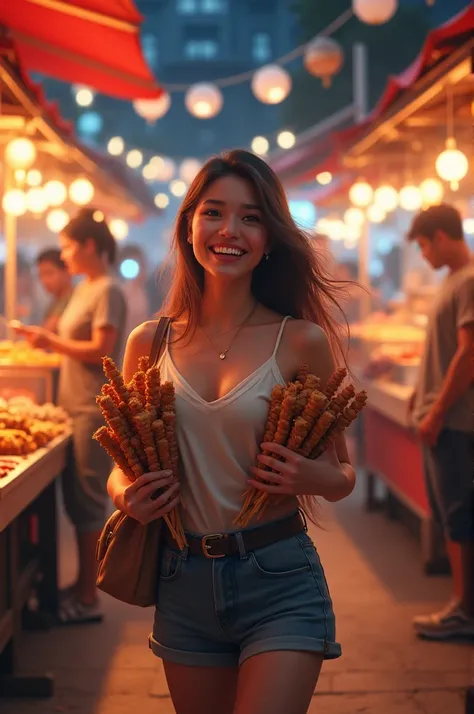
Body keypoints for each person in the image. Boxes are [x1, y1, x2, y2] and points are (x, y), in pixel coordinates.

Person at [107, 150, 355, 714]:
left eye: (251, 217)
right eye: (214, 212)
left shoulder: (300, 341)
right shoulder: (148, 343)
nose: (230, 231)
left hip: (280, 575)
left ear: (270, 237)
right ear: (189, 225)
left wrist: (308, 474)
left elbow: (343, 475)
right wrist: (127, 496)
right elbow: (121, 462)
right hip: (182, 579)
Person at [15, 208, 127, 625]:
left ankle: (88, 597)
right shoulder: (84, 288)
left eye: (67, 246)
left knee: (87, 503)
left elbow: (103, 351)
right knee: (76, 503)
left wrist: (50, 341)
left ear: (90, 247)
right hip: (71, 406)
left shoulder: (107, 291)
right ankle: (78, 584)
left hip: (90, 409)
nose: (64, 254)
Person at [407, 203, 474, 640]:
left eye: (425, 245)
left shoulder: (468, 281)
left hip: (456, 423)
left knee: (458, 515)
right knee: (453, 513)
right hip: (443, 417)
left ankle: (464, 609)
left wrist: (436, 411)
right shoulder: (452, 281)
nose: (424, 255)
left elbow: (468, 355)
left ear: (443, 237)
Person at [36, 248, 73, 332]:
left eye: (49, 273)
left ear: (67, 271)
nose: (44, 280)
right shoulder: (55, 301)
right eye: (41, 275)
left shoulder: (72, 299)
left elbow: (47, 332)